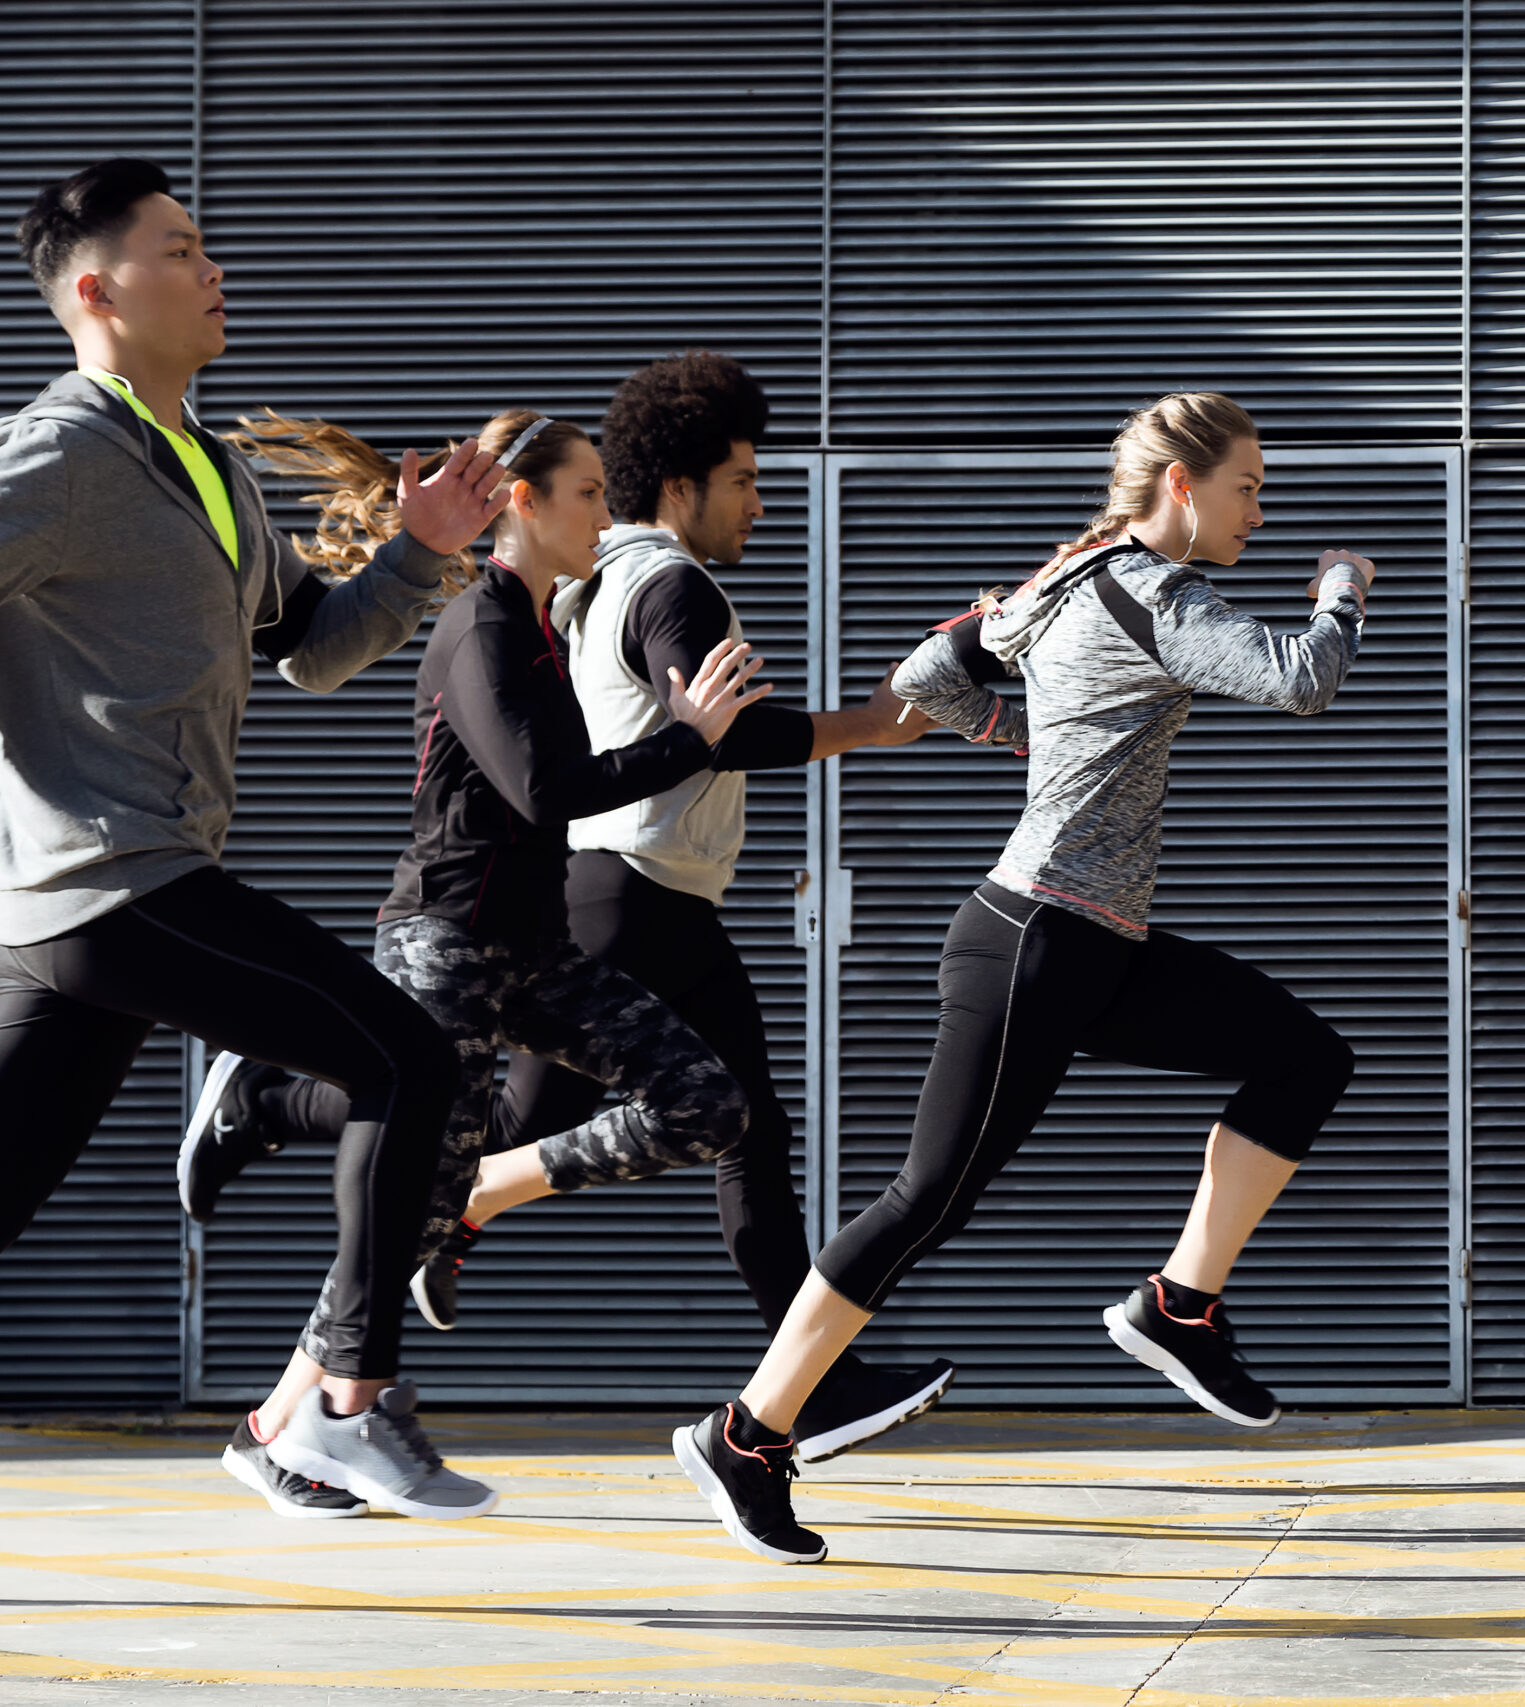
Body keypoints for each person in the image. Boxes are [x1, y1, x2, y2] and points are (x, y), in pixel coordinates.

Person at [183, 352, 965, 1461]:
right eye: (742, 478)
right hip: (591, 899)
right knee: (466, 1138)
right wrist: (866, 724)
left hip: (588, 904)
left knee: (619, 1127)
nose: (760, 499)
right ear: (679, 486)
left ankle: (311, 1321)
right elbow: (685, 742)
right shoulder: (637, 590)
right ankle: (276, 1135)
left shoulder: (568, 601)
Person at [672, 391, 1376, 1563]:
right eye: (1249, 488)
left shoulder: (1067, 579)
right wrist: (1340, 587)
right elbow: (1303, 677)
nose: (1263, 511)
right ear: (1185, 490)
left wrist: (1033, 732)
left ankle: (1178, 1308)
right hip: (1036, 940)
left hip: (1089, 942)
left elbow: (925, 676)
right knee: (926, 1201)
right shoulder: (1155, 591)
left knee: (1304, 1057)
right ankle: (747, 1435)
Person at [0, 157, 512, 1522]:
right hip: (111, 877)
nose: (212, 265)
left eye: (206, 243)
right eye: (180, 248)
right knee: (411, 1053)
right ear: (100, 292)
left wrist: (415, 551)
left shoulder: (206, 465)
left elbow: (313, 650)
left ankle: (256, 1124)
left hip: (104, 903)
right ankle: (341, 1405)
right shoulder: (58, 452)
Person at [193, 407, 770, 1518]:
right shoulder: (483, 624)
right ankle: (279, 1404)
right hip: (447, 941)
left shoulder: (548, 625)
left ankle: (307, 1144)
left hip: (535, 948)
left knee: (706, 1104)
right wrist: (686, 739)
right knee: (408, 1205)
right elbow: (546, 794)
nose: (608, 512)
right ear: (524, 504)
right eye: (591, 493)